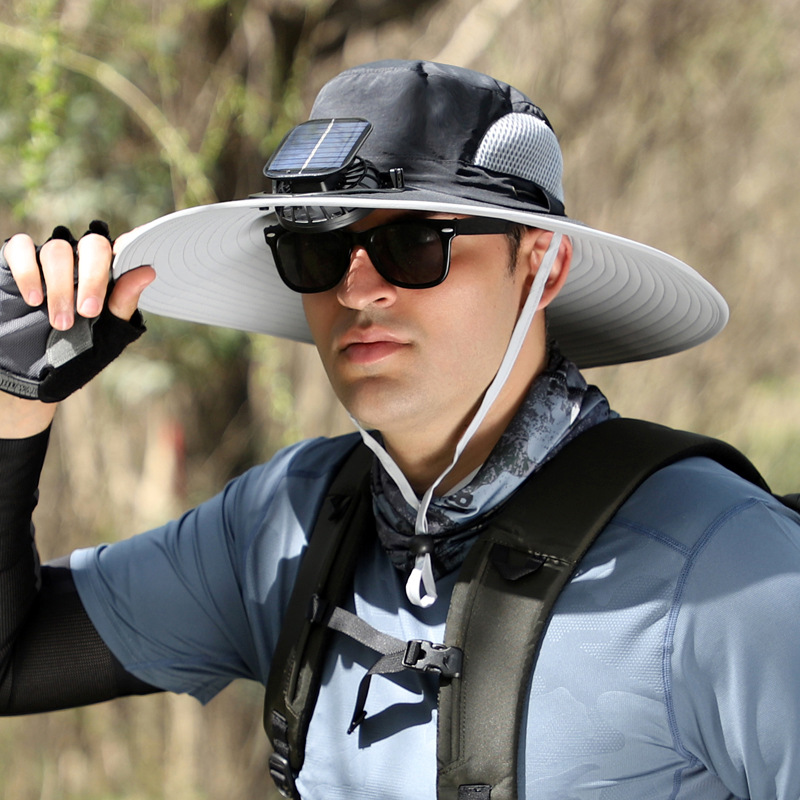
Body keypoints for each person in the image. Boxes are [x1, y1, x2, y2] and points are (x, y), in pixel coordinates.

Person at [1, 59, 799, 800]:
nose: (356, 290)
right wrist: (12, 414)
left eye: (413, 243)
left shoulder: (725, 564)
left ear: (542, 264)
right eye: (317, 249)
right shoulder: (285, 526)